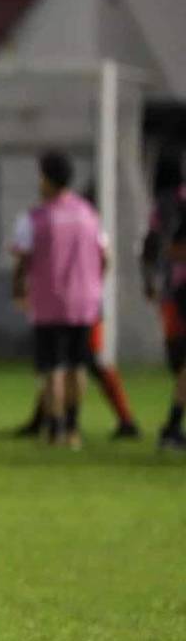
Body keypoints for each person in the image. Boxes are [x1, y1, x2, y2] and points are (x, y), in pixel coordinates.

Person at [10, 152, 107, 449]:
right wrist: (95, 283)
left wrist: (18, 291)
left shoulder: (35, 218)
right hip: (85, 301)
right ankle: (74, 429)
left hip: (49, 301)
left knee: (52, 367)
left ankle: (55, 428)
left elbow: (22, 260)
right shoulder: (89, 214)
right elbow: (106, 256)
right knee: (78, 365)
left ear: (47, 179)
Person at [140, 156, 186, 451]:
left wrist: (149, 280)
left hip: (172, 291)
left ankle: (172, 427)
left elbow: (150, 246)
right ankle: (171, 428)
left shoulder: (160, 205)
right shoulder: (179, 202)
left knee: (179, 361)